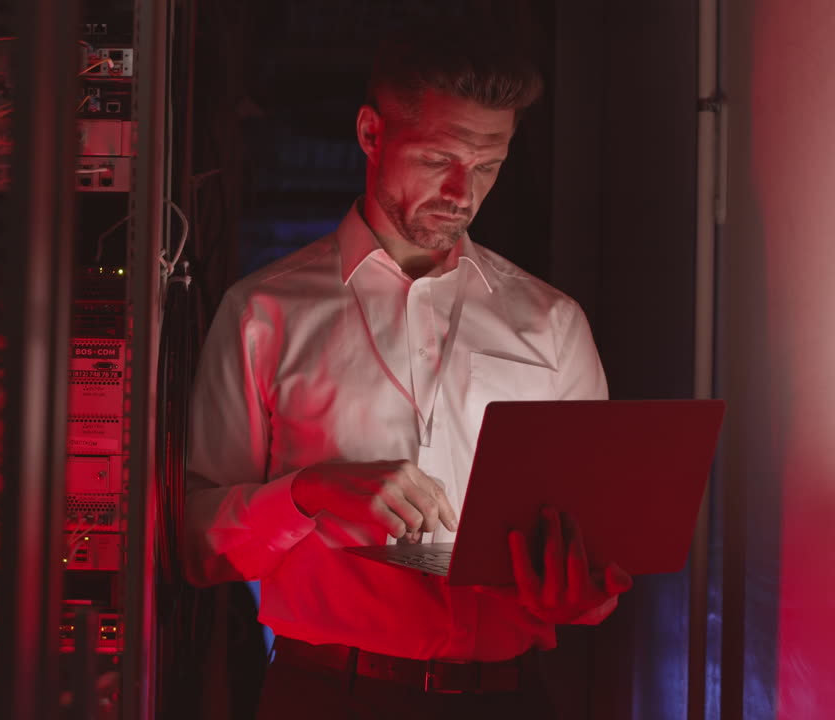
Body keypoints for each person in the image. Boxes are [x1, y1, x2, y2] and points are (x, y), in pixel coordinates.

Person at [184, 18, 633, 720]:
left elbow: (594, 564)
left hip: (508, 700)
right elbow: (199, 545)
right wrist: (307, 494)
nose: (464, 191)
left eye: (489, 165)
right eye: (438, 159)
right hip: (325, 695)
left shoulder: (551, 322)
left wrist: (581, 594)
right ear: (371, 134)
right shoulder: (263, 313)